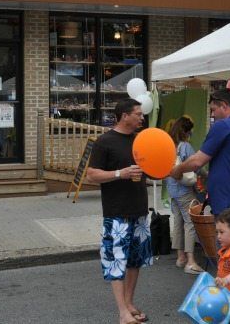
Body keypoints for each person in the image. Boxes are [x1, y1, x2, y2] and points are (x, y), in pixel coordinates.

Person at [86, 98, 152, 324]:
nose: (142, 117)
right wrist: (119, 174)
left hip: (140, 210)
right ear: (125, 115)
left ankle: (129, 303)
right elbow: (91, 175)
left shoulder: (140, 140)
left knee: (135, 260)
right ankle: (122, 312)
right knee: (117, 261)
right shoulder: (105, 141)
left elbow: (151, 170)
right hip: (116, 212)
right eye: (138, 114)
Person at [170, 88, 230, 239]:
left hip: (228, 208)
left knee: (226, 260)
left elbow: (197, 161)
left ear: (224, 105)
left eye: (213, 110)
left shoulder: (224, 126)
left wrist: (178, 169)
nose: (212, 115)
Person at [164, 116, 204, 275]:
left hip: (172, 191)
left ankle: (180, 257)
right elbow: (196, 165)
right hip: (185, 190)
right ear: (187, 131)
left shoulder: (170, 146)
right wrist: (206, 175)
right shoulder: (186, 146)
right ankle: (191, 261)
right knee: (190, 223)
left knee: (178, 222)